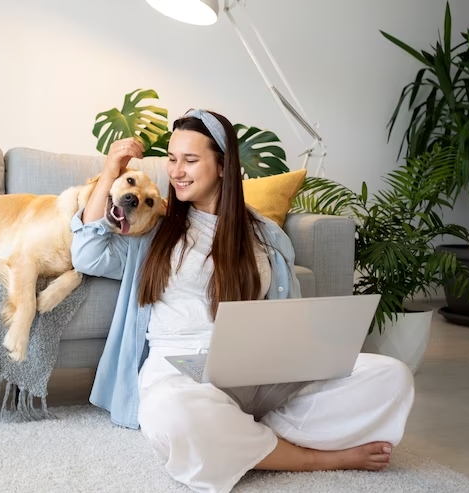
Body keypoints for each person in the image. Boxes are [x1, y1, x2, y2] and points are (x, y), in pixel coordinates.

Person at [69, 108, 415, 493]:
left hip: (256, 370)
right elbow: (87, 253)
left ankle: (240, 438)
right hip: (179, 373)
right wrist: (111, 167)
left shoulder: (265, 235)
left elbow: (286, 318)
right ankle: (315, 457)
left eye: (190, 160)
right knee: (173, 415)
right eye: (171, 159)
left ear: (222, 165)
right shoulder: (155, 228)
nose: (176, 171)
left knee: (391, 376)